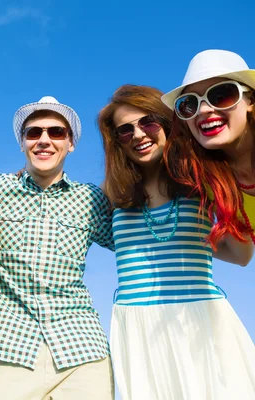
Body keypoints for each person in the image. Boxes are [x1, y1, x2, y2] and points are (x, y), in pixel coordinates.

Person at [99, 84, 255, 399]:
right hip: (137, 327)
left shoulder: (202, 180)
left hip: (201, 320)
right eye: (125, 131)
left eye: (148, 122)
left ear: (167, 124)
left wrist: (208, 231)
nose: (138, 135)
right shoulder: (109, 197)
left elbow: (241, 255)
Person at [0, 96, 115, 400]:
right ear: (22, 143)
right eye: (34, 132)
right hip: (16, 349)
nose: (44, 140)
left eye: (56, 132)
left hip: (84, 350)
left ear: (71, 144)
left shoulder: (91, 200)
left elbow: (131, 243)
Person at [162, 49, 255, 244]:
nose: (203, 110)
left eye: (221, 95)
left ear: (251, 101)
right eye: (189, 104)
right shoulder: (210, 183)